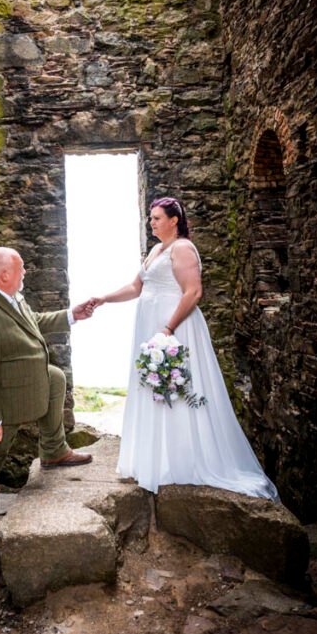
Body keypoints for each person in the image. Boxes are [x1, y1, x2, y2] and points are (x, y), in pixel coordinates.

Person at [90, 197, 278, 500]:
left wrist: (168, 329)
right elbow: (136, 288)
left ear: (174, 220)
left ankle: (185, 460)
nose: (152, 223)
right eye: (150, 218)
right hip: (151, 324)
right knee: (155, 388)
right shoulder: (156, 251)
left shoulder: (183, 248)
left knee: (178, 389)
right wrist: (103, 299)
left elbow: (193, 291)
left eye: (157, 218)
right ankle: (157, 460)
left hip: (175, 327)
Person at [0, 246, 96, 570]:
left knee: (54, 377)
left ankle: (54, 450)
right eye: (21, 268)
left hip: (11, 390)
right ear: (5, 274)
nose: (26, 272)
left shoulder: (7, 294)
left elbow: (33, 322)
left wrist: (73, 315)